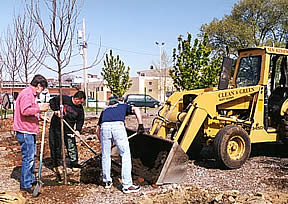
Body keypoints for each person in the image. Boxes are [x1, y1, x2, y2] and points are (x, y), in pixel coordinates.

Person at [96, 97, 145, 194]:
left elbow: (97, 129)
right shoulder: (122, 105)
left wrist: (102, 141)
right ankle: (127, 185)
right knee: (125, 155)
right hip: (117, 127)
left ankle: (107, 182)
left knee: (105, 155)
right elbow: (136, 109)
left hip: (104, 128)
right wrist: (140, 124)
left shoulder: (105, 110)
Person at [13, 74, 49, 194]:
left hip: (29, 130)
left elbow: (31, 110)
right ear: (39, 86)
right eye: (42, 88)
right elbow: (25, 110)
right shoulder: (27, 94)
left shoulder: (31, 94)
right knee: (28, 157)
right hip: (25, 131)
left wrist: (39, 116)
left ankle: (30, 178)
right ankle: (26, 184)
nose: (42, 91)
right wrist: (40, 109)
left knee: (31, 156)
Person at [49, 91, 86, 172]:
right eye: (80, 102)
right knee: (56, 145)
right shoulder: (64, 99)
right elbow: (52, 101)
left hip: (69, 128)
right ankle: (56, 164)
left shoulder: (79, 109)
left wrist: (78, 130)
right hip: (56, 127)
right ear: (76, 99)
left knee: (71, 145)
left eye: (82, 102)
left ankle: (74, 163)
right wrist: (56, 110)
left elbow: (80, 120)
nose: (80, 104)